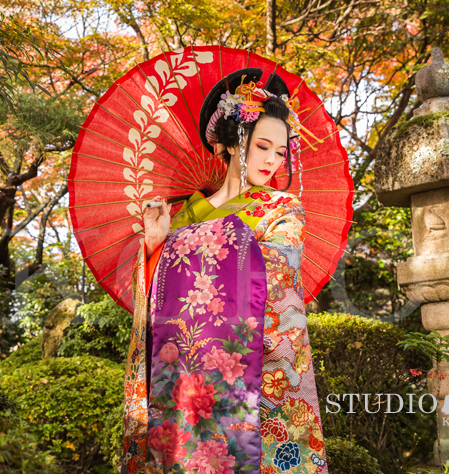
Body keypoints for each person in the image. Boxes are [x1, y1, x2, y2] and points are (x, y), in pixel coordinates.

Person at [120, 68, 329, 474]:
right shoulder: (185, 213)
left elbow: (277, 271)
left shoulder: (282, 209)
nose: (272, 160)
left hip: (253, 366)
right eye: (263, 145)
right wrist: (154, 244)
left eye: (281, 152)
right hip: (183, 372)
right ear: (234, 144)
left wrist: (181, 246)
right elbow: (151, 300)